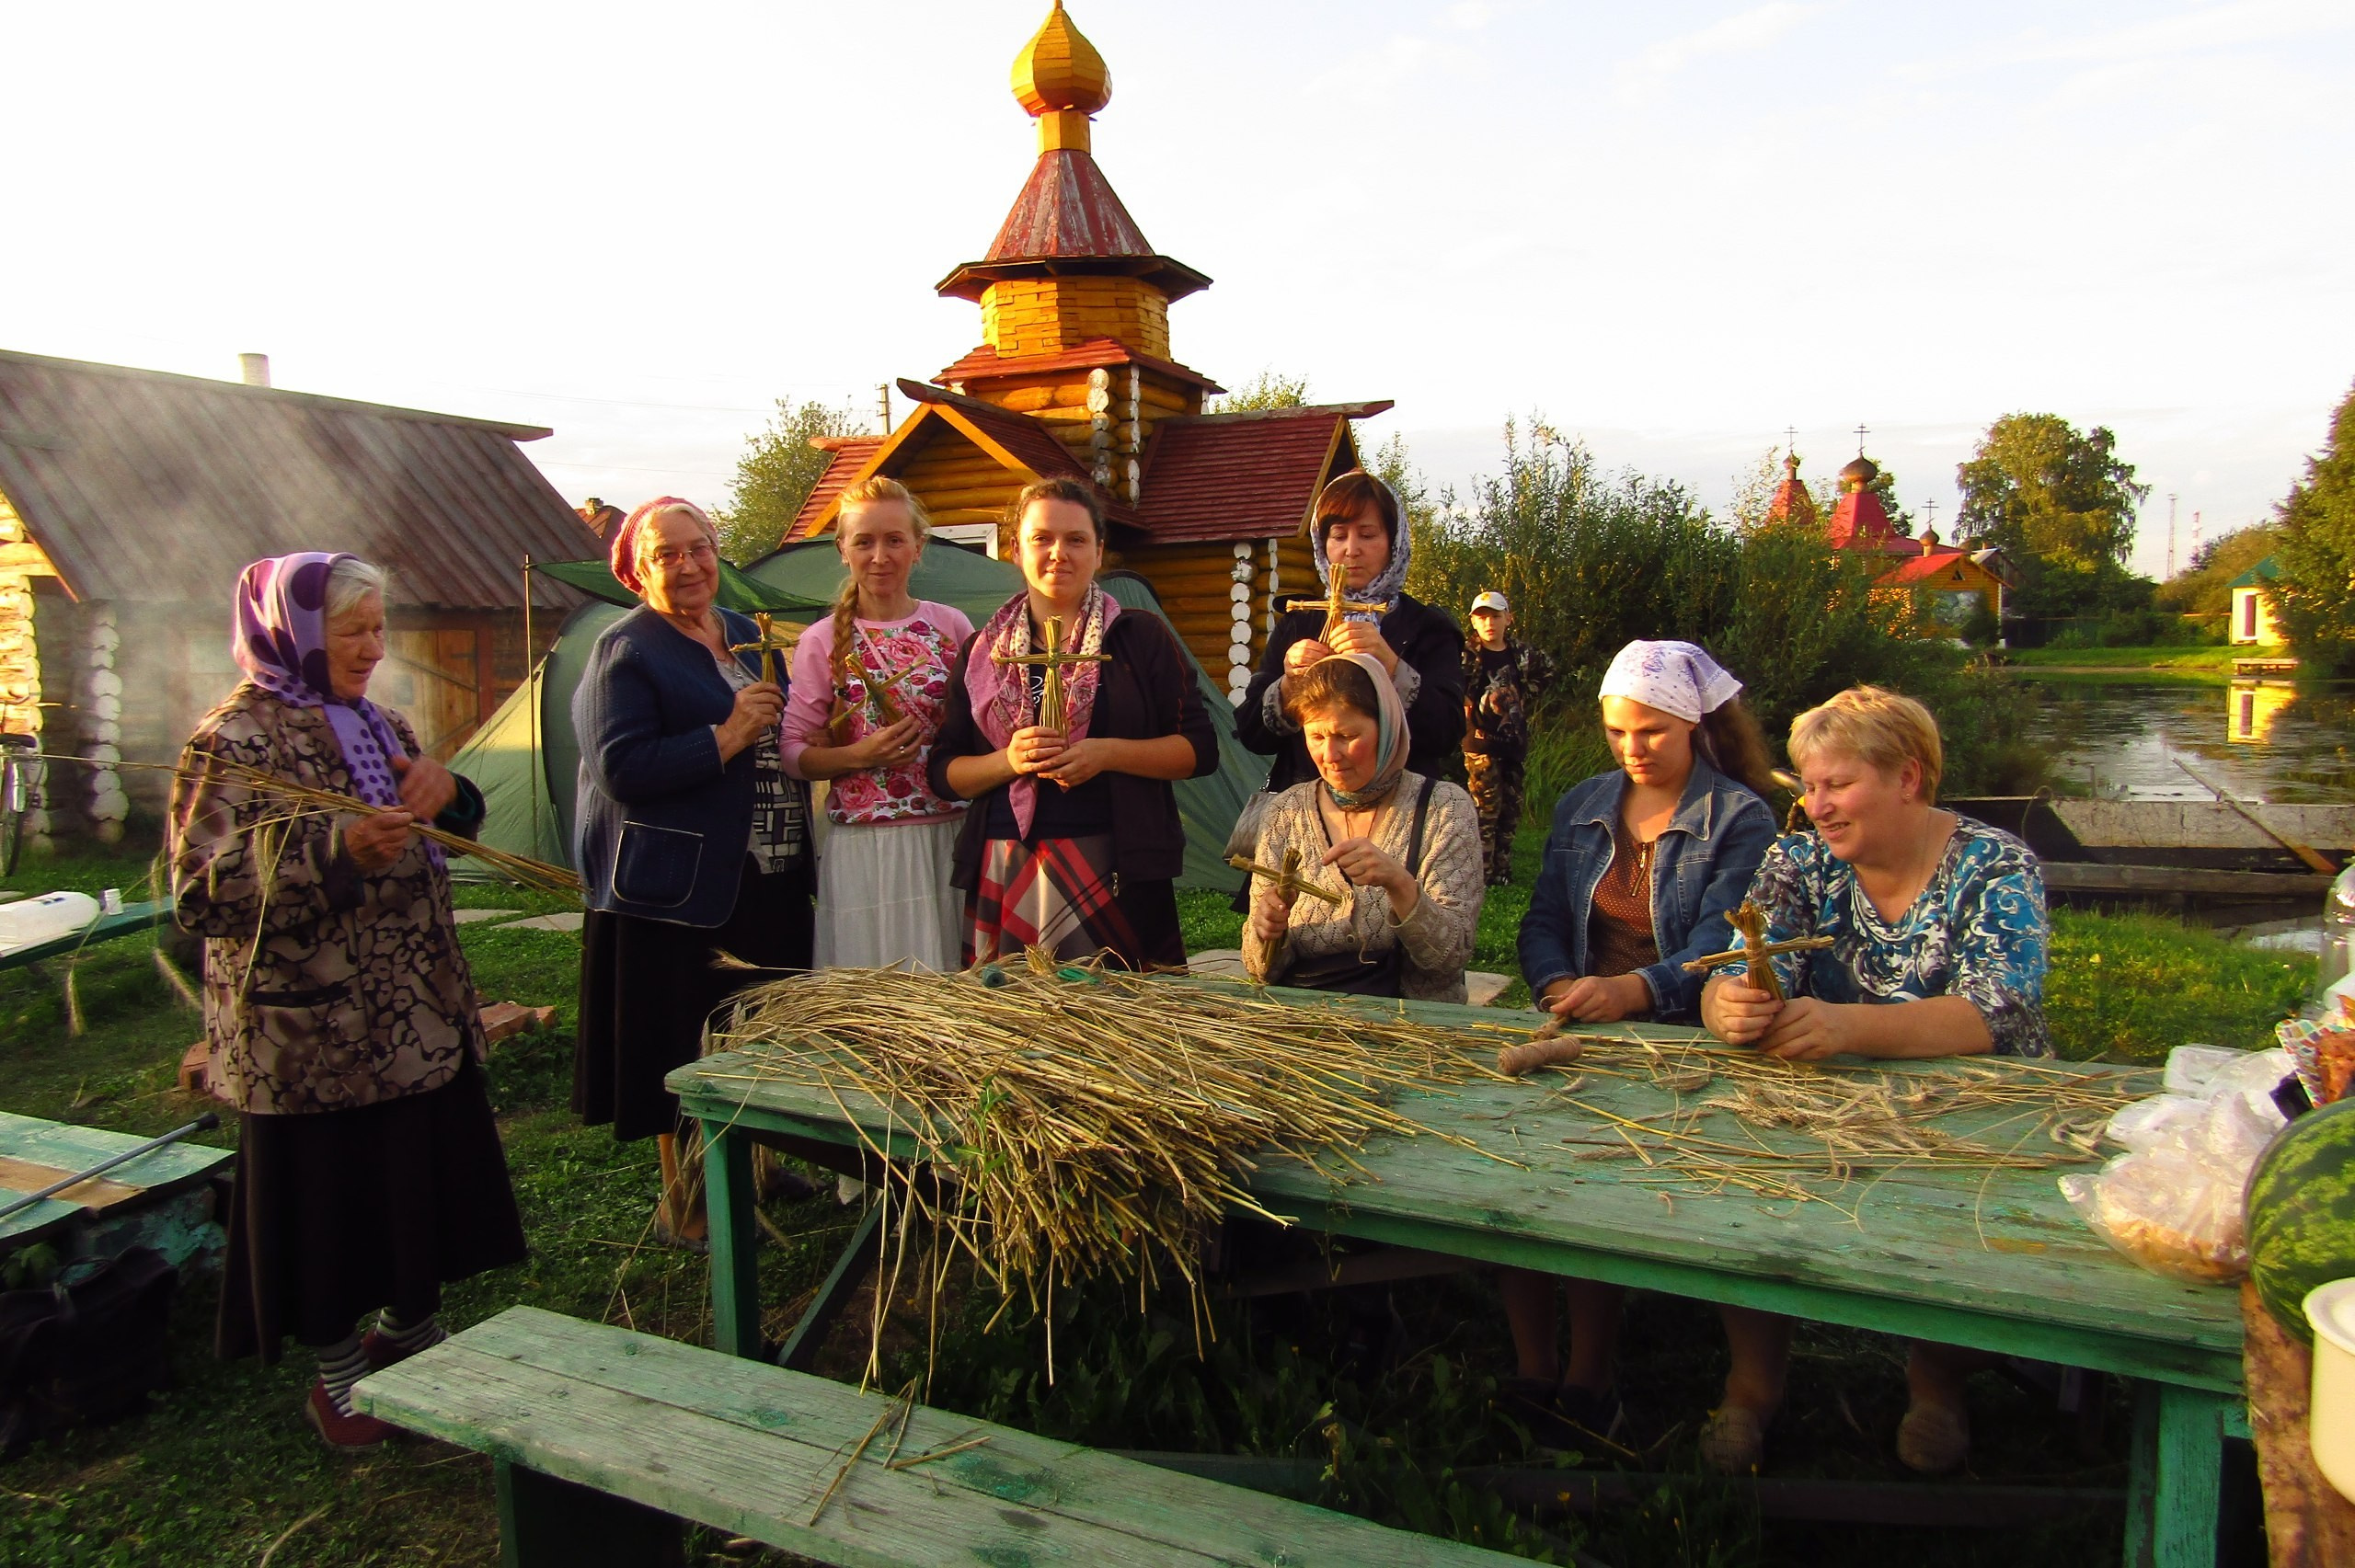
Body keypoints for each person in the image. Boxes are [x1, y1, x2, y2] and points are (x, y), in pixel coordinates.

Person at [170, 553, 525, 1449]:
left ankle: (409, 1331)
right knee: (328, 1200)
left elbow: (438, 822)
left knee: (413, 1179)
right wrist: (335, 859)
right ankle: (339, 1378)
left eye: (380, 627)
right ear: (296, 630)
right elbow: (198, 891)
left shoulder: (377, 720)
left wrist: (454, 795)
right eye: (355, 630)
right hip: (309, 1030)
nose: (374, 646)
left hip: (409, 1011)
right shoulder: (231, 740)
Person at [1698, 684, 2051, 1477]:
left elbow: (1993, 1012)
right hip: (1828, 1092)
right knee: (1741, 1167)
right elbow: (1755, 955)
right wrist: (1730, 1003)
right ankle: (1753, 1385)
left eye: (1839, 783)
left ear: (1909, 778)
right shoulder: (1799, 860)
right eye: (1811, 784)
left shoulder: (1995, 864)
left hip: (1979, 1098)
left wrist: (1849, 1025)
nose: (1818, 805)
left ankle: (1937, 1381)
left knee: (1971, 1208)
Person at [1500, 640, 1781, 1444]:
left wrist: (1631, 992)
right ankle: (1531, 1363)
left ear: (1693, 725)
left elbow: (1714, 946)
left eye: (1652, 732)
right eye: (1619, 731)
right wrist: (1556, 982)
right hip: (1578, 1023)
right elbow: (1544, 918)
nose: (1632, 749)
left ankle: (1589, 1375)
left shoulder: (1737, 817)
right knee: (1513, 1164)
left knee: (1592, 1184)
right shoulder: (1584, 804)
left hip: (1679, 1038)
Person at [572, 497, 814, 1247]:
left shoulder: (745, 634)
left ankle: (762, 1165)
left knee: (759, 1021)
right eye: (665, 554)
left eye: (699, 547)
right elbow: (620, 766)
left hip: (763, 867)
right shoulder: (628, 649)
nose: (687, 566)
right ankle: (688, 1202)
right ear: (636, 569)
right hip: (676, 890)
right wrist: (727, 735)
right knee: (683, 1039)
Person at [929, 478, 1217, 970]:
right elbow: (943, 772)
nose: (1058, 553)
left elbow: (1199, 749)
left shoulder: (1137, 636)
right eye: (1041, 538)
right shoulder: (982, 652)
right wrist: (1008, 761)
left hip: (1116, 861)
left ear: (1100, 551)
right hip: (1008, 858)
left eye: (1076, 539)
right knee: (1012, 1031)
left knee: (1124, 1026)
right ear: (1015, 549)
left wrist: (1104, 753)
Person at [781, 478, 973, 970]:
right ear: (843, 549)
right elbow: (793, 754)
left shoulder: (951, 625)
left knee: (949, 992)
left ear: (918, 547)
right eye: (864, 541)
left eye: (894, 539)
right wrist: (859, 755)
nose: (880, 555)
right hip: (867, 848)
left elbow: (982, 723)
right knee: (876, 994)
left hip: (949, 836)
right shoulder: (822, 640)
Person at [1241, 654, 1482, 1001]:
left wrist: (1399, 884)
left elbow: (1450, 957)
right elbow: (1259, 969)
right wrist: (1267, 932)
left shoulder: (1443, 809)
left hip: (1413, 1029)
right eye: (1316, 737)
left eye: (1347, 735)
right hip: (1306, 1024)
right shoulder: (1285, 812)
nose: (1330, 754)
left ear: (1386, 728)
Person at [1235, 470, 1465, 797]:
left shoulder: (1426, 627)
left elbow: (1446, 734)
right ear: (1321, 543)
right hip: (1307, 813)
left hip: (1400, 810)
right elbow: (1251, 735)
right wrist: (1288, 686)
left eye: (1368, 535)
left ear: (1394, 542)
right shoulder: (1299, 621)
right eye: (1339, 536)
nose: (1351, 550)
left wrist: (1391, 666)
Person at [1462, 590, 1554, 886]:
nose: (1489, 623)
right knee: (1485, 810)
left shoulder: (1522, 654)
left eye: (1495, 616)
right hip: (1480, 745)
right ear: (1474, 623)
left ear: (1508, 619)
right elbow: (1449, 685)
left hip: (1514, 742)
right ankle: (1482, 873)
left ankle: (1502, 871)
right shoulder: (1465, 654)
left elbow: (1549, 672)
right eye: (1482, 617)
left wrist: (1525, 695)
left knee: (1509, 812)